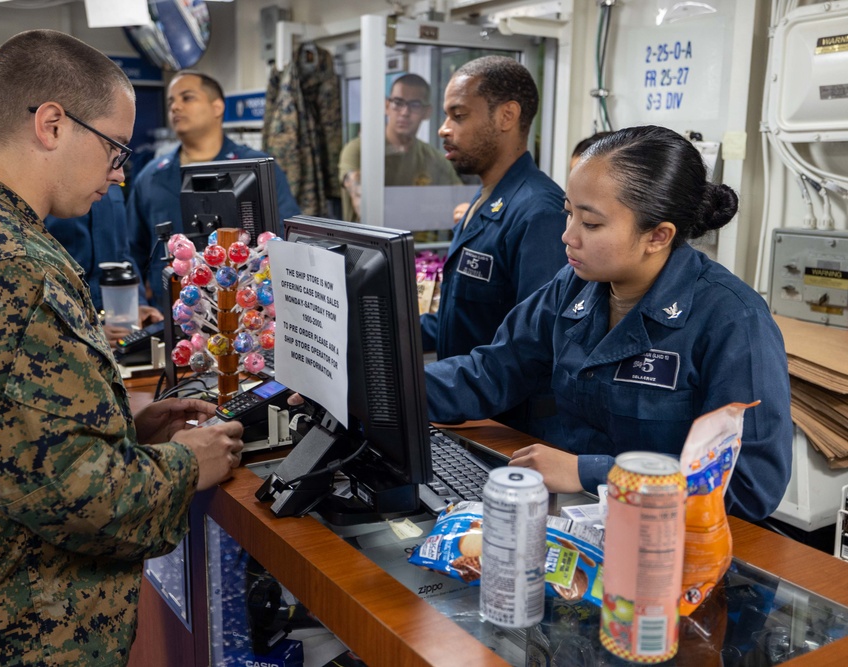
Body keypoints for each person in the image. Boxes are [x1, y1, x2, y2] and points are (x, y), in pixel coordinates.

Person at [0, 30, 244, 666]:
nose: (120, 171)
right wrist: (188, 464)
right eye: (113, 147)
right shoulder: (6, 264)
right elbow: (65, 492)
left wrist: (121, 421)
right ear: (52, 123)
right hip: (10, 632)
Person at [424, 125, 792, 522]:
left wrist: (589, 471)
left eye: (591, 224)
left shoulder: (732, 319)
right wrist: (382, 390)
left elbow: (750, 482)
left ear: (658, 235)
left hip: (671, 537)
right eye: (569, 214)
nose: (568, 236)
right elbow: (492, 371)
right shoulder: (574, 285)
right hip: (579, 516)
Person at [0, 127, 161, 344]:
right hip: (51, 348)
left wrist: (133, 307)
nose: (116, 174)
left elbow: (121, 253)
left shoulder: (95, 157)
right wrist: (78, 331)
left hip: (113, 346)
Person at [420, 56, 567, 362]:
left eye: (458, 115)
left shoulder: (539, 213)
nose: (443, 130)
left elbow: (535, 347)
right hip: (462, 401)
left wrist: (431, 387)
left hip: (497, 410)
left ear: (506, 116)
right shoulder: (485, 198)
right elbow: (460, 320)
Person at [127, 70, 301, 304]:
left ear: (217, 107)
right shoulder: (151, 176)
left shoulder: (256, 170)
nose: (175, 107)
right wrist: (137, 306)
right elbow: (131, 250)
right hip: (174, 313)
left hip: (246, 316)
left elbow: (287, 241)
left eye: (187, 98)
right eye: (171, 101)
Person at [338, 72, 463, 222]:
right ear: (386, 106)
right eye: (398, 103)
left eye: (415, 105)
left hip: (419, 244)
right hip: (367, 242)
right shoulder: (359, 150)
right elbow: (360, 199)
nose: (405, 112)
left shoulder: (434, 159)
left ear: (427, 112)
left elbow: (461, 201)